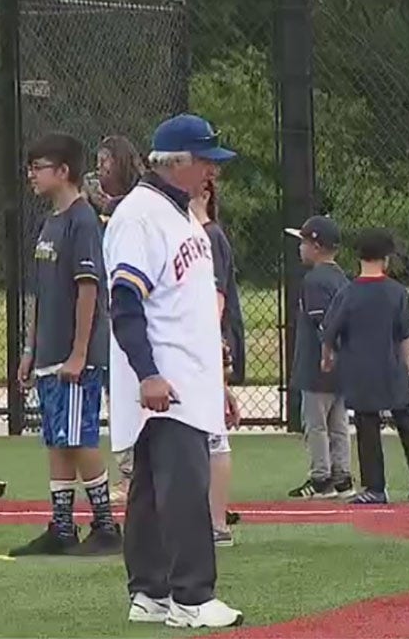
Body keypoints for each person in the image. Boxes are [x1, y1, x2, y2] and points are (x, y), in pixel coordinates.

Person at [107, 113, 242, 628]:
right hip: (166, 378)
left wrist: (217, 382)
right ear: (178, 163)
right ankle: (191, 597)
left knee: (147, 487)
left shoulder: (181, 214)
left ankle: (151, 593)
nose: (214, 172)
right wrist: (147, 373)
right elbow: (125, 302)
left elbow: (189, 307)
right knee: (185, 484)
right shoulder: (141, 215)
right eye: (207, 161)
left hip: (188, 376)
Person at [12, 133, 122, 557]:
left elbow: (89, 289)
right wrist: (30, 349)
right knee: (58, 439)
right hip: (48, 354)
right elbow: (41, 293)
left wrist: (79, 352)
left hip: (75, 356)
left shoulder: (82, 221)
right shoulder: (50, 222)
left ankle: (106, 526)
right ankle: (61, 527)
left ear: (63, 172)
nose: (31, 175)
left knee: (79, 437)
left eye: (38, 167)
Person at [321, 228, 409, 505]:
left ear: (358, 257)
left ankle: (375, 487)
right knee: (406, 423)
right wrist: (406, 363)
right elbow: (405, 334)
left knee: (367, 426)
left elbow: (329, 334)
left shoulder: (348, 293)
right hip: (392, 367)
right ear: (386, 259)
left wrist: (327, 358)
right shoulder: (396, 292)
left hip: (361, 369)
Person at [87, 134, 145, 503]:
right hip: (114, 311)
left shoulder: (136, 205)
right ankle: (129, 469)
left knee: (130, 396)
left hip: (132, 310)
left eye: (105, 160)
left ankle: (132, 474)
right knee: (120, 396)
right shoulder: (114, 208)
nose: (99, 167)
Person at [190, 180, 244, 546]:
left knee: (213, 435)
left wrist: (211, 351)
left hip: (209, 342)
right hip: (200, 345)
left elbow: (215, 300)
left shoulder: (209, 235)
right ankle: (207, 519)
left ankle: (215, 523)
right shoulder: (193, 234)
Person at [284, 215, 353, 499]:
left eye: (303, 242)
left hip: (318, 363)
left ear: (315, 245)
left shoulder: (314, 280)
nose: (300, 248)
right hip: (344, 364)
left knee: (316, 425)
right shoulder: (342, 278)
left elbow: (323, 324)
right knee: (339, 425)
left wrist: (328, 355)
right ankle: (343, 477)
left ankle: (321, 477)